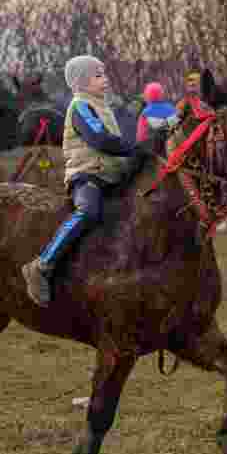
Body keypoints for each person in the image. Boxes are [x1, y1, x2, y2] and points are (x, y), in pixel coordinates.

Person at [21, 55, 138, 307]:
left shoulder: (103, 106)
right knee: (88, 211)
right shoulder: (80, 106)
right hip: (86, 175)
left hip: (109, 175)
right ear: (81, 82)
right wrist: (132, 149)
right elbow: (99, 139)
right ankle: (42, 265)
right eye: (98, 75)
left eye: (104, 74)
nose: (105, 79)